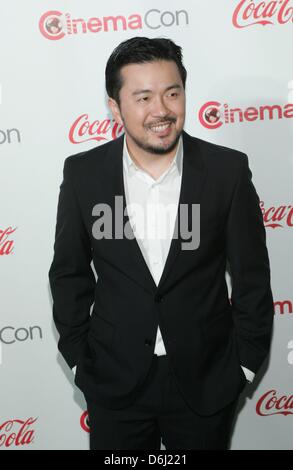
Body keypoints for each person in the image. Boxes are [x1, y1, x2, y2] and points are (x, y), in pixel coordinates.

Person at [48, 37, 274, 450]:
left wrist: (242, 366)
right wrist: (81, 360)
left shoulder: (227, 172)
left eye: (173, 93)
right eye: (144, 97)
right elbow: (68, 274)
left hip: (206, 380)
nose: (162, 111)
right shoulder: (84, 175)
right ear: (115, 107)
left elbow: (252, 279)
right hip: (114, 381)